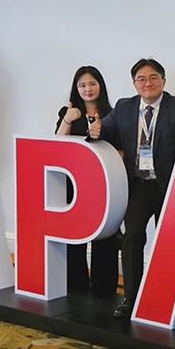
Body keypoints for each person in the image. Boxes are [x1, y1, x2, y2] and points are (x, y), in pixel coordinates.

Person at [89, 58, 175, 317]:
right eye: (141, 79)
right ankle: (132, 298)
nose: (147, 83)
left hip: (167, 186)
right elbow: (106, 130)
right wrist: (96, 130)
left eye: (153, 78)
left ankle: (169, 297)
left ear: (163, 80)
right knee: (132, 238)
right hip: (138, 185)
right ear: (134, 83)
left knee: (170, 242)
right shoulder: (124, 107)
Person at [55, 66, 120, 298]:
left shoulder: (113, 113)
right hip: (74, 184)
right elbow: (57, 145)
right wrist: (67, 120)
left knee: (107, 236)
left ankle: (105, 289)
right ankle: (76, 287)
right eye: (82, 85)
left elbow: (120, 148)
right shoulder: (68, 112)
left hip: (104, 184)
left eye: (92, 83)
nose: (87, 89)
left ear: (100, 85)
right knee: (74, 236)